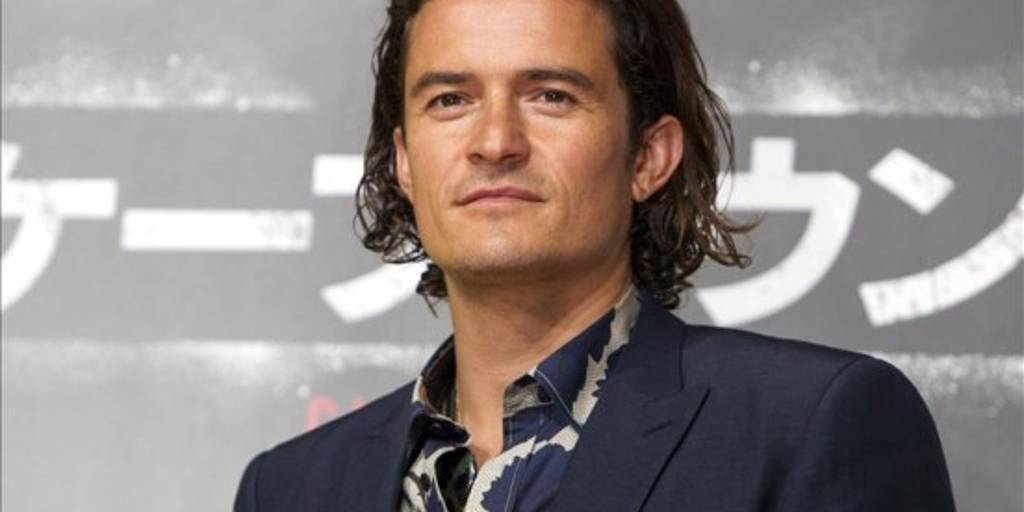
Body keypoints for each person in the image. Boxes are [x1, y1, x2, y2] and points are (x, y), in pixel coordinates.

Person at [234, 0, 956, 510]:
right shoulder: (291, 489)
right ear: (404, 163)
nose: (494, 142)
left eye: (550, 96)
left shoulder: (810, 427)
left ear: (649, 155)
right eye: (451, 100)